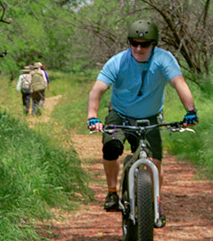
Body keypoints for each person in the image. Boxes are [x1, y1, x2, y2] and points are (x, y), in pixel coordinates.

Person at [84, 20, 199, 212]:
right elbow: (97, 91)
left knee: (154, 162)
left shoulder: (164, 59)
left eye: (144, 44)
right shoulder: (118, 61)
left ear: (153, 44)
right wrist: (92, 117)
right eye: (134, 43)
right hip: (119, 114)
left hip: (150, 116)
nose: (138, 48)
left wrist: (190, 111)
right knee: (111, 148)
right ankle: (112, 191)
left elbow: (179, 83)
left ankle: (155, 202)